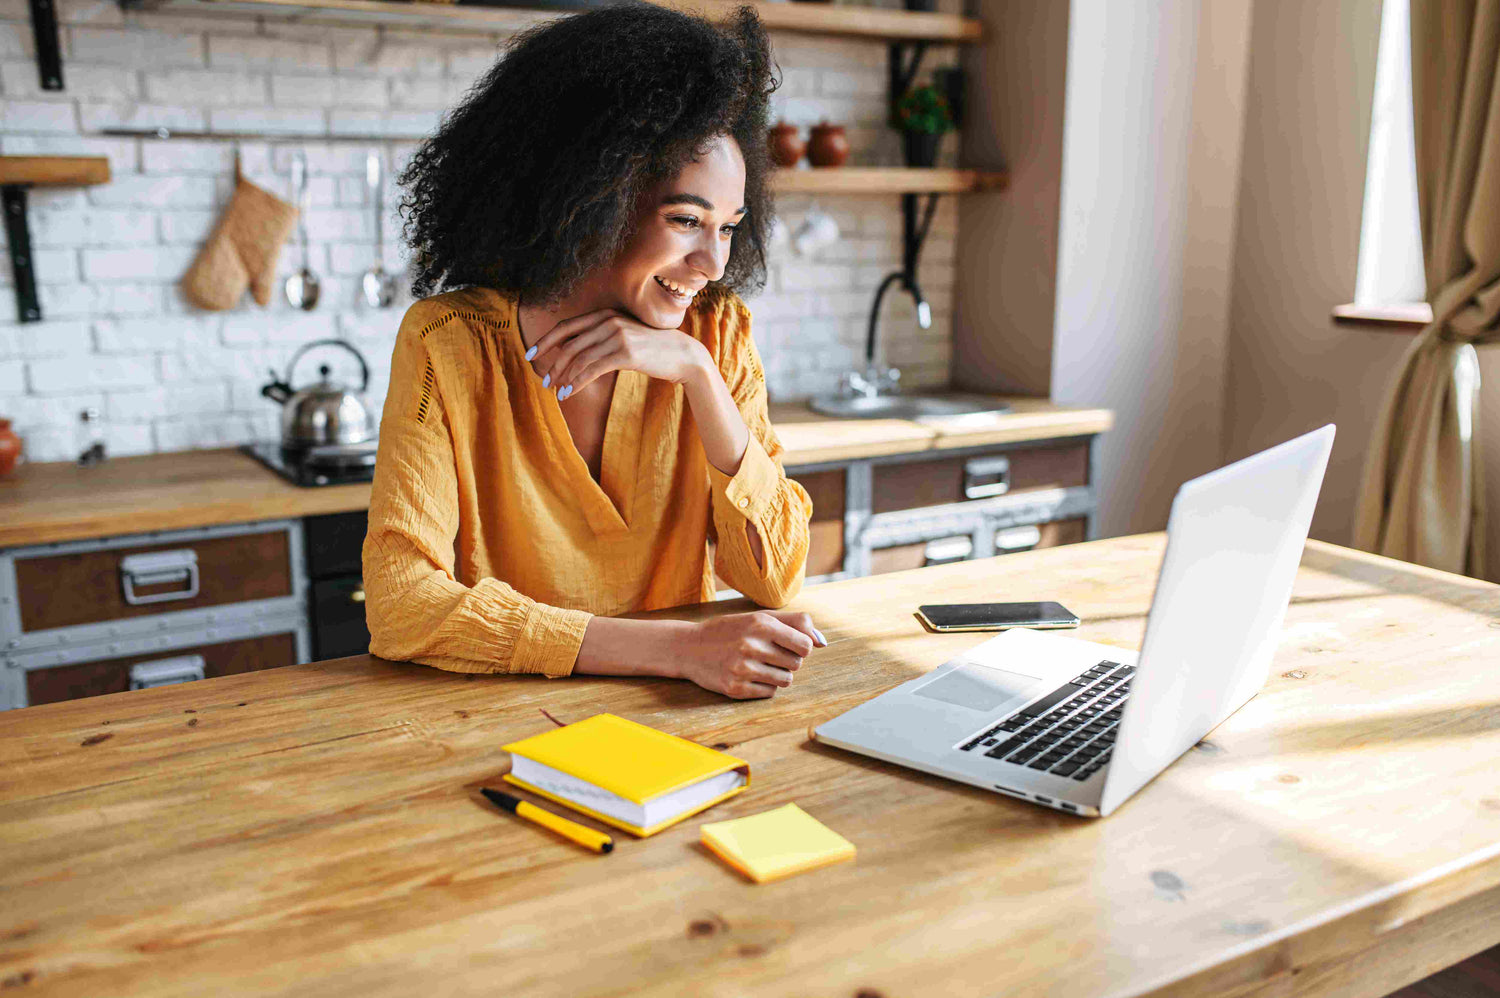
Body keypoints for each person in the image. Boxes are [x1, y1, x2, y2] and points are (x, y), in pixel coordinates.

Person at [362, 3, 824, 700]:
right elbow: (401, 608)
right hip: (502, 722)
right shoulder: (447, 344)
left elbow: (777, 577)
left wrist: (699, 376)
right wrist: (678, 648)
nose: (711, 261)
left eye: (729, 227)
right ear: (589, 198)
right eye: (686, 220)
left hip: (682, 717)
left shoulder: (716, 335)